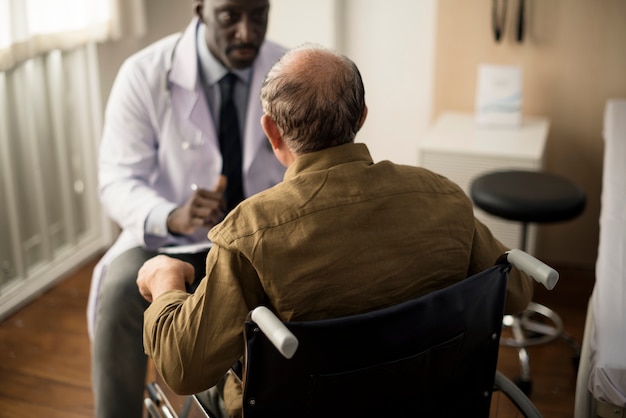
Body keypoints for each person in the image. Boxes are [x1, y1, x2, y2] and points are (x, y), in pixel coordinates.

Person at [137, 44, 534, 418]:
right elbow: (514, 293)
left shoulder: (249, 234)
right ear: (361, 116)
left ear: (272, 131)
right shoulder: (443, 196)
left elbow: (184, 367)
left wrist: (164, 281)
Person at [86, 0, 287, 417]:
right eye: (231, 16)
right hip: (173, 243)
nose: (247, 33)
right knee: (122, 288)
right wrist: (170, 215)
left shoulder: (286, 69)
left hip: (261, 242)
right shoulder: (144, 74)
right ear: (200, 9)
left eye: (259, 15)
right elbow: (117, 180)